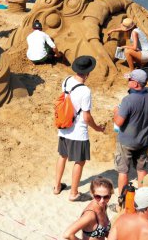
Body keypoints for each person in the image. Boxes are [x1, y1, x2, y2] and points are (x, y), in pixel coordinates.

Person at [55, 56, 106, 201]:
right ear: (88, 73)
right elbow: (86, 117)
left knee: (62, 156)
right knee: (80, 161)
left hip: (64, 127)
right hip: (78, 131)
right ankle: (73, 193)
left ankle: (57, 187)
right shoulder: (85, 91)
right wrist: (97, 128)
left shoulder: (66, 80)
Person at [113, 69, 148, 194]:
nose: (128, 81)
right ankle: (142, 198)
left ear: (136, 84)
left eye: (130, 79)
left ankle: (121, 203)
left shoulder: (128, 100)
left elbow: (119, 122)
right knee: (141, 170)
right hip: (142, 140)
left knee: (123, 171)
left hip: (126, 142)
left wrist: (116, 111)